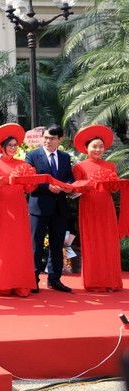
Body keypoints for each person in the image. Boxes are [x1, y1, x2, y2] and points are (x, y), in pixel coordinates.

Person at [0, 123, 37, 297]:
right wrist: (6, 180)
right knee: (5, 244)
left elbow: (29, 189)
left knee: (21, 244)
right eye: (10, 145)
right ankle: (5, 282)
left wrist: (31, 177)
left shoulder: (22, 164)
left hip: (20, 206)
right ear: (2, 147)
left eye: (15, 145)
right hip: (3, 208)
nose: (13, 148)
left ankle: (22, 283)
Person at [72, 125, 123, 292]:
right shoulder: (79, 167)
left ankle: (112, 281)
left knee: (109, 243)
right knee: (92, 243)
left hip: (106, 208)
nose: (98, 149)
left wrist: (114, 183)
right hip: (88, 208)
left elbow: (114, 189)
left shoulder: (110, 166)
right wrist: (84, 186)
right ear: (86, 148)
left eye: (100, 146)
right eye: (94, 146)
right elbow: (74, 190)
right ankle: (94, 282)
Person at [25, 124, 75, 293]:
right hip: (39, 206)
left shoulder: (65, 157)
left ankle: (55, 279)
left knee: (57, 244)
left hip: (59, 207)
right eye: (45, 137)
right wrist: (47, 187)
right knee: (35, 245)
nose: (47, 141)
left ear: (59, 140)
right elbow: (28, 179)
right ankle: (33, 279)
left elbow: (69, 177)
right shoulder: (32, 155)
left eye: (52, 138)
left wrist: (67, 186)